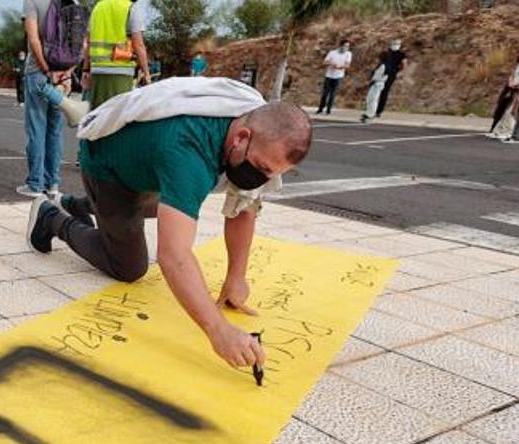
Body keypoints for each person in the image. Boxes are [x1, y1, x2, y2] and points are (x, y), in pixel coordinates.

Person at [26, 78, 313, 371]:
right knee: (129, 267)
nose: (261, 178)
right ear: (241, 137)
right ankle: (51, 217)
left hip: (146, 165)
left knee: (170, 208)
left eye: (273, 173)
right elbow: (173, 256)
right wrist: (219, 331)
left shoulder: (250, 120)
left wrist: (236, 277)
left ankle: (84, 205)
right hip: (107, 164)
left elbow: (244, 204)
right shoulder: (189, 151)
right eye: (262, 168)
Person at [20, 0, 90, 198]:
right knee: (55, 131)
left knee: (36, 129)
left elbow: (34, 40)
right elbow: (82, 45)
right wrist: (67, 72)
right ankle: (53, 184)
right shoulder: (72, 2)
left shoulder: (32, 2)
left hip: (38, 72)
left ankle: (35, 184)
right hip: (63, 76)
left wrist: (46, 69)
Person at [80, 0, 149, 111]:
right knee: (118, 117)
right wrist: (146, 73)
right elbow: (139, 45)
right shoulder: (130, 8)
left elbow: (88, 42)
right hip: (121, 72)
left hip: (97, 71)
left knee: (98, 116)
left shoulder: (98, 7)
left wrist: (86, 69)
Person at [487, 43, 519, 139]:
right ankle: (499, 130)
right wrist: (510, 81)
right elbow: (514, 73)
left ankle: (510, 130)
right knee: (505, 109)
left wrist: (516, 84)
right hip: (512, 88)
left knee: (513, 111)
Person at [315, 39, 351, 115]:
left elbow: (347, 65)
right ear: (341, 46)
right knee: (325, 93)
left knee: (333, 94)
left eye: (347, 46)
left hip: (338, 76)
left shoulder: (348, 54)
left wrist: (340, 66)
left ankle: (328, 110)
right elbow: (325, 62)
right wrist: (332, 64)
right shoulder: (332, 53)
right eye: (345, 46)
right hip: (329, 75)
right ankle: (321, 108)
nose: (346, 48)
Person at [374, 38, 407, 118]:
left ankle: (378, 111)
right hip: (382, 73)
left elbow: (404, 65)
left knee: (384, 92)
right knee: (376, 91)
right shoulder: (386, 52)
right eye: (394, 43)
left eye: (397, 43)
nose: (395, 45)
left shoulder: (401, 54)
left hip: (390, 75)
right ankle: (373, 109)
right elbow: (380, 61)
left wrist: (396, 70)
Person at [360, 52, 386, 123]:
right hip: (375, 84)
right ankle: (368, 112)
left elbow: (377, 77)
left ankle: (371, 114)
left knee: (373, 99)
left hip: (378, 84)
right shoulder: (380, 65)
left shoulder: (384, 66)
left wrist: (369, 83)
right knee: (369, 98)